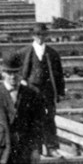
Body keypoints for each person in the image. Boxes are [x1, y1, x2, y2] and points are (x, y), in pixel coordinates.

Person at [19, 23, 65, 157]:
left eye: (43, 35)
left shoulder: (52, 53)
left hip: (47, 91)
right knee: (32, 119)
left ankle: (51, 147)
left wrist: (60, 92)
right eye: (37, 35)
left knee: (49, 119)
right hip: (31, 90)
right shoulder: (24, 53)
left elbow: (59, 75)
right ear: (33, 36)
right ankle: (35, 148)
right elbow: (17, 72)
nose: (40, 37)